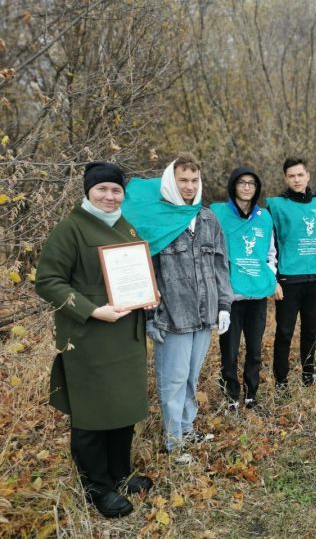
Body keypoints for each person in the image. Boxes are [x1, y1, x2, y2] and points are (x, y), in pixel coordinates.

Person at [35, 162, 153, 518]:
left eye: (116, 190)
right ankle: (96, 487)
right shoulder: (70, 229)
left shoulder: (124, 224)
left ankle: (119, 474)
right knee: (91, 414)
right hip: (90, 336)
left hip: (126, 335)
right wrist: (91, 309)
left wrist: (146, 293)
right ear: (88, 191)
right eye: (102, 189)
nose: (109, 196)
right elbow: (48, 281)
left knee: (123, 409)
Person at [123, 152, 233, 462]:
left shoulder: (209, 218)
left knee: (191, 377)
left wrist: (224, 304)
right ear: (171, 181)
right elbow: (143, 271)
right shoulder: (157, 219)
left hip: (204, 314)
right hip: (171, 316)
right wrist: (149, 315)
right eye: (182, 180)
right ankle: (174, 442)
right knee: (172, 379)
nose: (188, 186)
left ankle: (187, 429)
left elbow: (221, 264)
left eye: (194, 180)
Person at [210, 165, 278, 410]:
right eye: (242, 182)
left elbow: (271, 253)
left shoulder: (264, 217)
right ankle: (231, 396)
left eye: (251, 183)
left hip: (257, 294)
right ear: (233, 186)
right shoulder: (219, 213)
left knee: (255, 349)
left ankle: (251, 394)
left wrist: (270, 275)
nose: (247, 187)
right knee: (229, 350)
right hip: (230, 297)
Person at [266, 157, 316, 389]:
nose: (296, 179)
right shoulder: (275, 205)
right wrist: (273, 278)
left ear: (308, 175)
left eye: (300, 175)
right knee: (284, 331)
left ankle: (308, 375)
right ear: (285, 178)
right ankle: (281, 380)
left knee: (311, 330)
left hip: (314, 278)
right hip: (289, 278)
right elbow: (268, 245)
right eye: (291, 176)